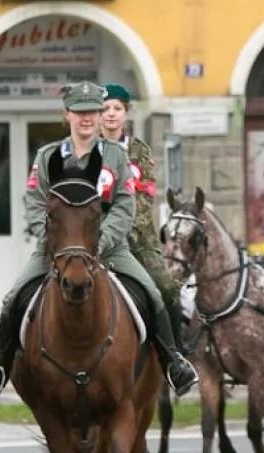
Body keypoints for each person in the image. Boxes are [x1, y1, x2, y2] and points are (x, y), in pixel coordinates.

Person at [0, 81, 198, 400]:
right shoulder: (48, 155)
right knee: (13, 298)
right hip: (57, 248)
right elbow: (35, 201)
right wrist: (52, 240)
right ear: (67, 116)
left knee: (153, 293)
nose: (87, 118)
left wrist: (100, 242)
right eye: (80, 112)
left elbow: (125, 202)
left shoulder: (117, 157)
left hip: (109, 246)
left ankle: (173, 361)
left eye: (92, 111)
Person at [99, 82, 184, 340]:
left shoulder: (140, 151)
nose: (111, 113)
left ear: (126, 113)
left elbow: (144, 201)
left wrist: (125, 235)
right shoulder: (87, 150)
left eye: (117, 108)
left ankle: (175, 354)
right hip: (91, 235)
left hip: (137, 238)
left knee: (167, 288)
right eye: (105, 108)